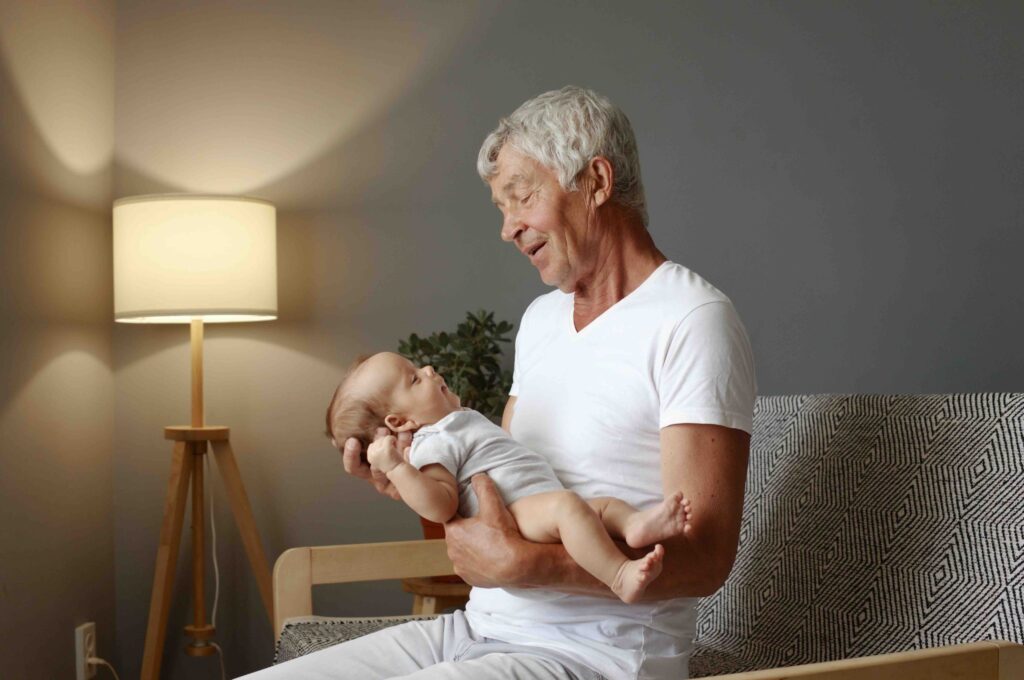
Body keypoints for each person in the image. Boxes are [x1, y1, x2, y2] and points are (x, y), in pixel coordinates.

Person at [245, 86, 755, 680]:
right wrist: (410, 478)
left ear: (595, 181)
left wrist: (527, 567)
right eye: (501, 208)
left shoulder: (691, 321)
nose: (508, 228)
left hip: (598, 655)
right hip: (476, 629)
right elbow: (493, 494)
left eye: (521, 196)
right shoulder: (541, 321)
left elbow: (707, 561)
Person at [325, 351, 695, 604]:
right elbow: (441, 505)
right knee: (570, 507)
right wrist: (397, 468)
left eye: (419, 367)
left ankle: (634, 525)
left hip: (535, 500)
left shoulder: (455, 422)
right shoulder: (431, 443)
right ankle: (619, 577)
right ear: (400, 422)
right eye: (414, 378)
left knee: (597, 507)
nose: (429, 370)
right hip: (516, 513)